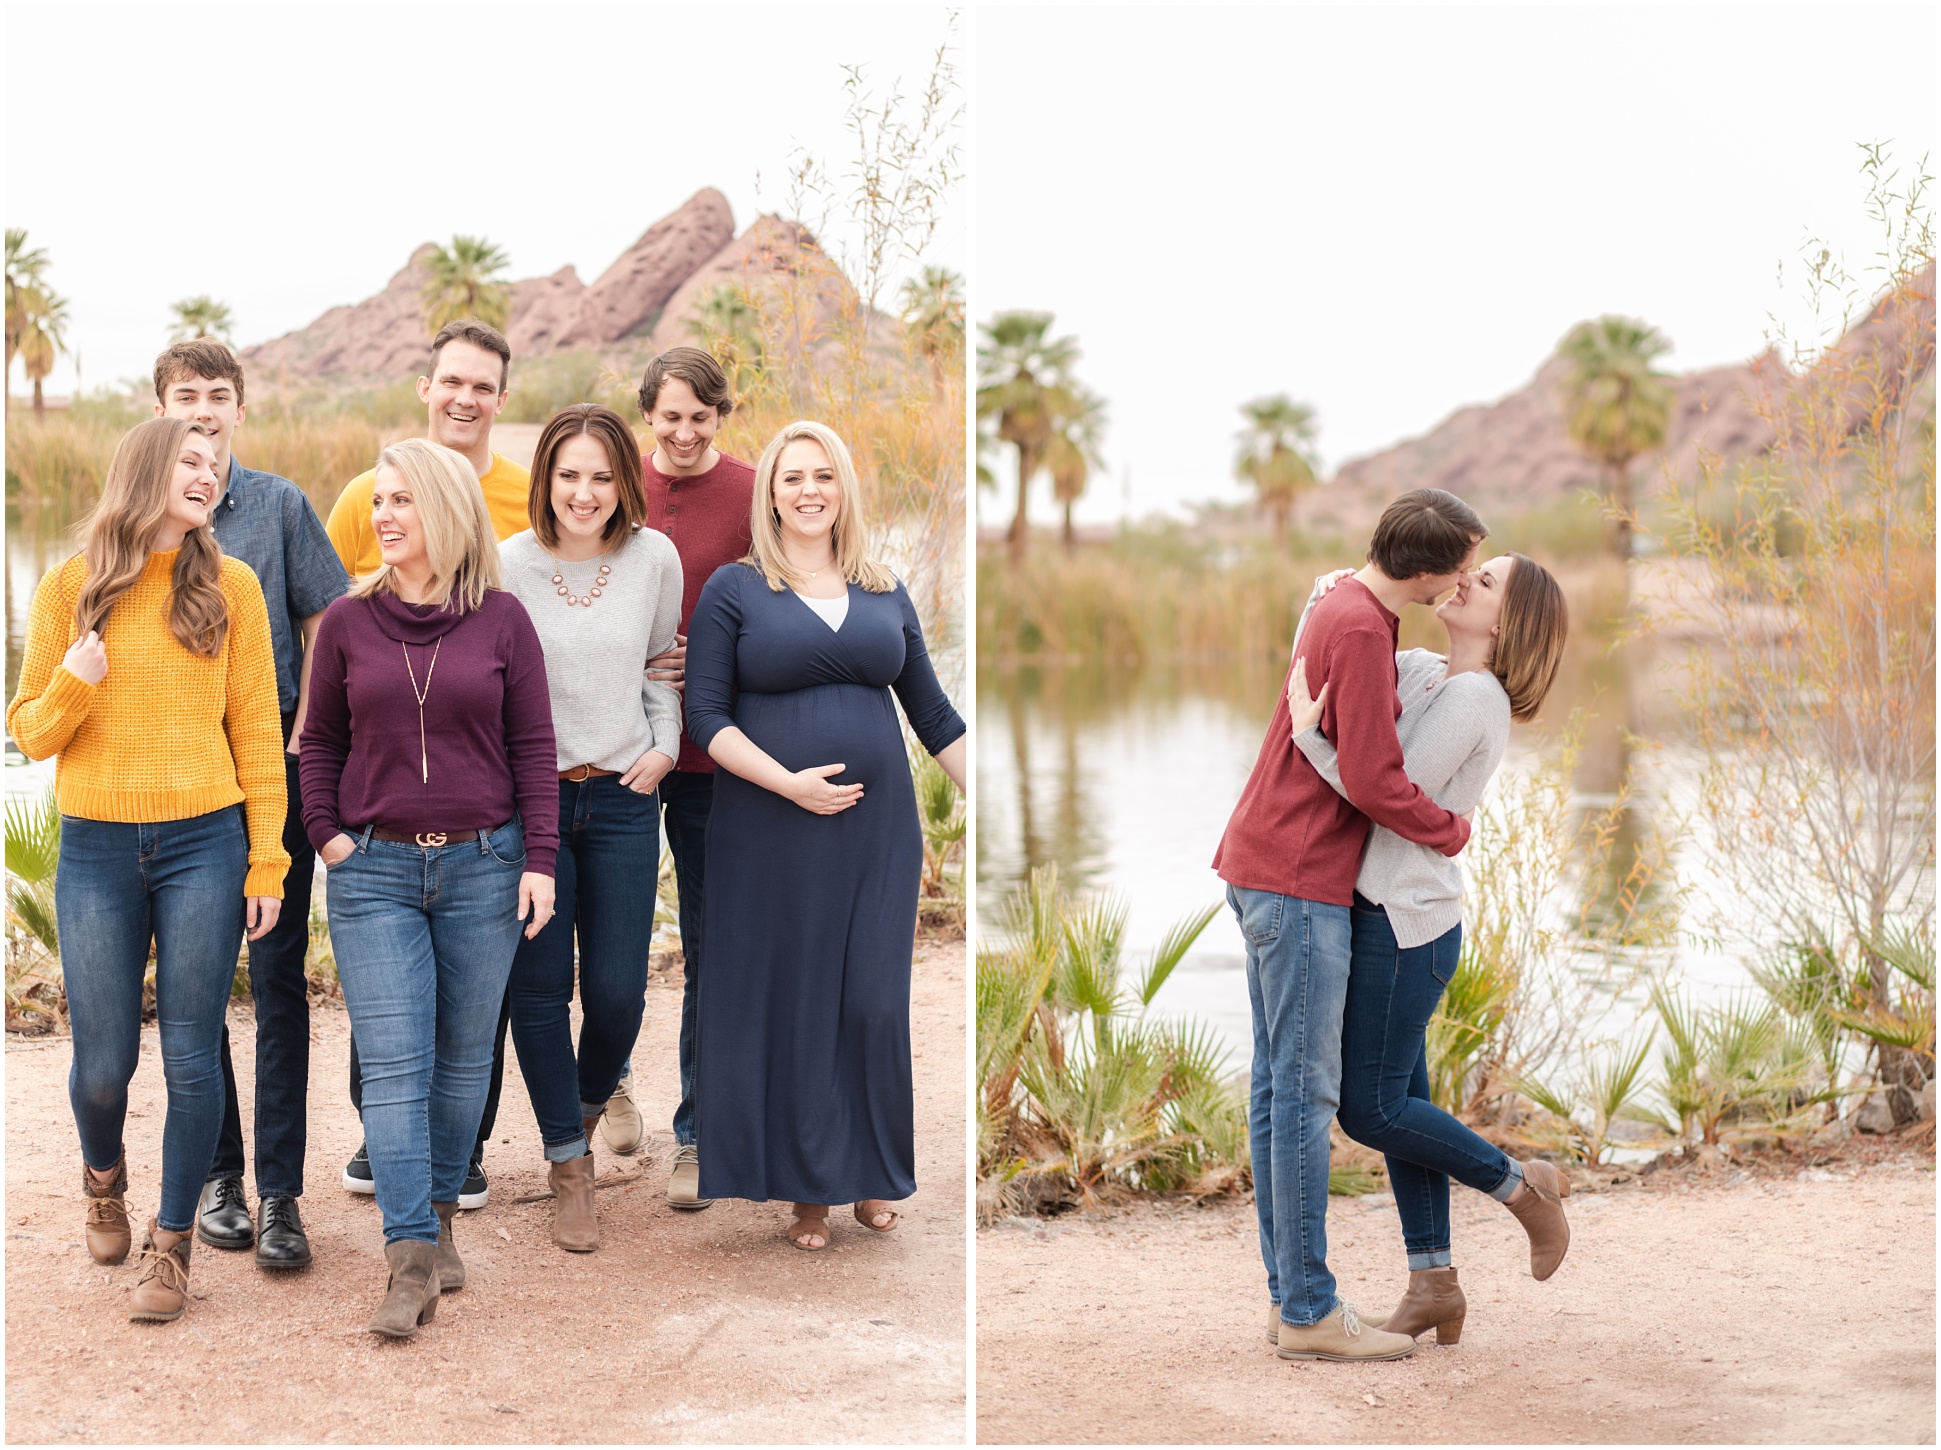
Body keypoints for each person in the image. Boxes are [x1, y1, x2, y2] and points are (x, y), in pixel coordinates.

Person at [8, 417, 288, 1323]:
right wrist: (77, 678)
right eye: (190, 462)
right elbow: (31, 734)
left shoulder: (233, 587)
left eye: (215, 463)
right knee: (102, 1065)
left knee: (192, 1053)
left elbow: (256, 735)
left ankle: (171, 1249)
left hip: (206, 844)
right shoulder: (69, 587)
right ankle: (103, 1180)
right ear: (146, 473)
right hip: (95, 847)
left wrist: (267, 858)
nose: (208, 475)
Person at [1212, 487, 1484, 1363]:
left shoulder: (1345, 602)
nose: (1467, 581)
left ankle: (1291, 1299)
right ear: (1425, 568)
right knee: (1302, 1095)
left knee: (1275, 1093)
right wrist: (1450, 831)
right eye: (1464, 567)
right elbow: (1371, 778)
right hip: (1297, 878)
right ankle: (1307, 1313)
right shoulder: (1364, 626)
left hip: (1267, 868)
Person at [684, 420, 966, 1250]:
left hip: (876, 834)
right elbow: (704, 716)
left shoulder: (883, 588)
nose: (808, 490)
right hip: (770, 826)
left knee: (874, 1000)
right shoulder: (735, 590)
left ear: (843, 489)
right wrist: (788, 784)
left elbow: (935, 715)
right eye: (791, 477)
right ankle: (810, 1188)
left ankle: (873, 1171)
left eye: (824, 476)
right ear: (769, 491)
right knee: (799, 999)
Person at [300, 437, 558, 1337]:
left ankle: (442, 1218)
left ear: (445, 509)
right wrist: (327, 837)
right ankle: (408, 1258)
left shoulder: (503, 621)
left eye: (402, 500)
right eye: (380, 500)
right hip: (372, 872)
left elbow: (533, 750)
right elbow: (318, 740)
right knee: (398, 1066)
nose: (383, 516)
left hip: (485, 865)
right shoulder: (344, 621)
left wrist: (540, 861)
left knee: (462, 1063)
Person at [1283, 554, 1571, 1348]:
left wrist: (1310, 744)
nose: (1466, 581)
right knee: (1401, 1111)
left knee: (1369, 1109)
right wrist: (1331, 595)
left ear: (1505, 624)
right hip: (1381, 916)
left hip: (1406, 925)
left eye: (1487, 584)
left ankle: (1522, 1190)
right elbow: (1328, 669)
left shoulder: (1475, 698)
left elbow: (1383, 788)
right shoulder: (1422, 670)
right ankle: (1434, 1283)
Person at [151, 339, 350, 1271]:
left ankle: (280, 1196)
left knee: (275, 983)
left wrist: (306, 737)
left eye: (218, 396)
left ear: (240, 410)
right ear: (159, 409)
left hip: (271, 758)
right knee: (197, 991)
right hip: (182, 778)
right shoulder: (139, 517)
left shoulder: (278, 507)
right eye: (185, 395)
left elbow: (324, 626)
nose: (202, 409)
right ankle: (218, 1177)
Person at [323, 319, 530, 1207]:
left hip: (485, 826)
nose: (464, 397)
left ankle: (455, 1165)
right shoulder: (359, 503)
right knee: (393, 1031)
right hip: (377, 837)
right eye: (451, 380)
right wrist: (327, 828)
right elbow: (332, 647)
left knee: (469, 1030)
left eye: (481, 384)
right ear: (426, 384)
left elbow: (530, 690)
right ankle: (390, 1149)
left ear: (500, 398)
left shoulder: (524, 503)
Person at [500, 404, 682, 1252]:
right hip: (531, 801)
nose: (584, 492)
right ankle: (568, 1163)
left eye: (601, 476)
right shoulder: (507, 566)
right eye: (568, 475)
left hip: (620, 799)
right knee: (537, 993)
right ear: (545, 478)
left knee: (617, 993)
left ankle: (575, 1104)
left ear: (624, 482)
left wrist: (667, 745)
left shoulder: (654, 559)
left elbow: (658, 670)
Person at [622, 346, 758, 1210]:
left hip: (717, 755)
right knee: (610, 937)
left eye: (698, 418)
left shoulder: (754, 495)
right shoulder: (617, 483)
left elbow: (778, 602)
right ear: (648, 414)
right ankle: (608, 1084)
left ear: (720, 416)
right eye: (668, 416)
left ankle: (698, 1135)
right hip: (621, 749)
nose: (681, 432)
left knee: (712, 942)